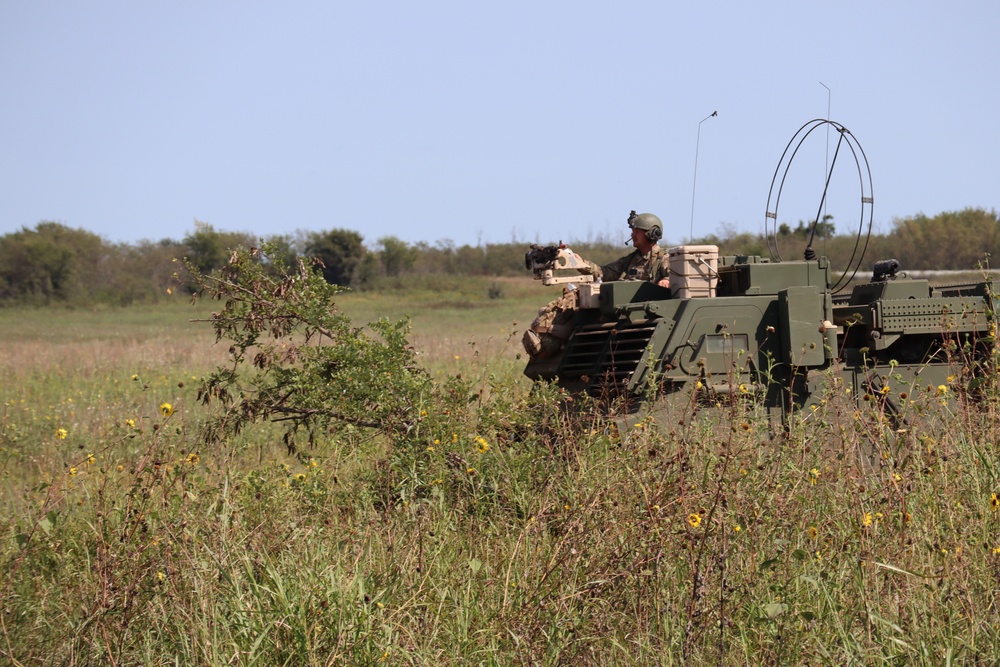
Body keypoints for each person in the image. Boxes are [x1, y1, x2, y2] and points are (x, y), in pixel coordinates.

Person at [523, 211, 670, 358]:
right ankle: (546, 340)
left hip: (641, 308)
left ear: (652, 234)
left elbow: (675, 278)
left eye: (637, 231)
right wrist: (578, 262)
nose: (632, 235)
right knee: (573, 299)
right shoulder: (631, 259)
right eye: (632, 231)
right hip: (618, 304)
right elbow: (603, 272)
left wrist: (667, 281)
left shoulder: (664, 258)